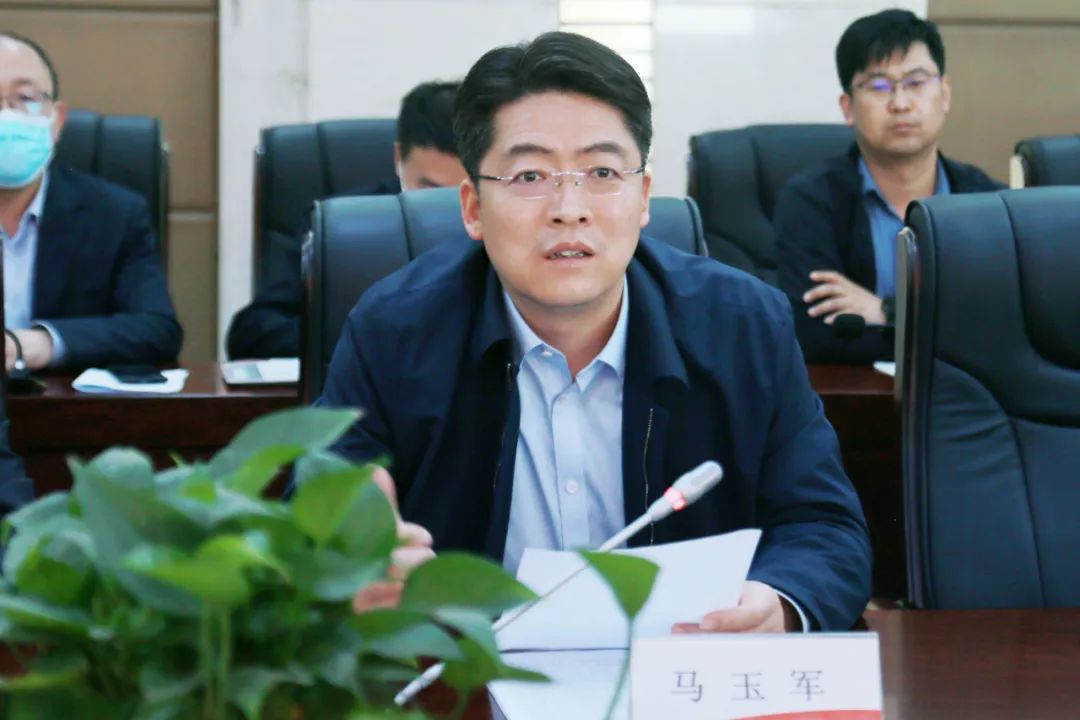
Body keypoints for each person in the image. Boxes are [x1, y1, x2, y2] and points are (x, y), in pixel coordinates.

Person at [321, 32, 872, 632]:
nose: (569, 208)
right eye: (530, 175)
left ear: (643, 196)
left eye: (602, 171)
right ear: (473, 207)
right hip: (468, 670)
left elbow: (824, 527)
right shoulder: (394, 332)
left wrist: (780, 601)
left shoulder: (744, 326)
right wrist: (354, 548)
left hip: (680, 668)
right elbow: (323, 505)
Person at [774, 9, 1002, 364]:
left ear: (944, 94)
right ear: (848, 107)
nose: (900, 103)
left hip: (971, 396)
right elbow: (815, 335)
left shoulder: (990, 203)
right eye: (878, 86)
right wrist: (944, 326)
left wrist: (887, 311)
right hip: (852, 397)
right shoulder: (810, 202)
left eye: (916, 82)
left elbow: (1001, 330)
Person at [226, 81, 468, 360]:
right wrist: (371, 332)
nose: (450, 209)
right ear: (398, 158)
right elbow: (253, 332)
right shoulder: (341, 227)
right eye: (431, 191)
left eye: (466, 191)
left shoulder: (502, 219)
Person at [0, 33, 181, 372]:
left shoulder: (115, 214)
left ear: (57, 121)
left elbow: (157, 330)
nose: (6, 116)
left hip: (60, 399)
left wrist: (39, 343)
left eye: (25, 98)